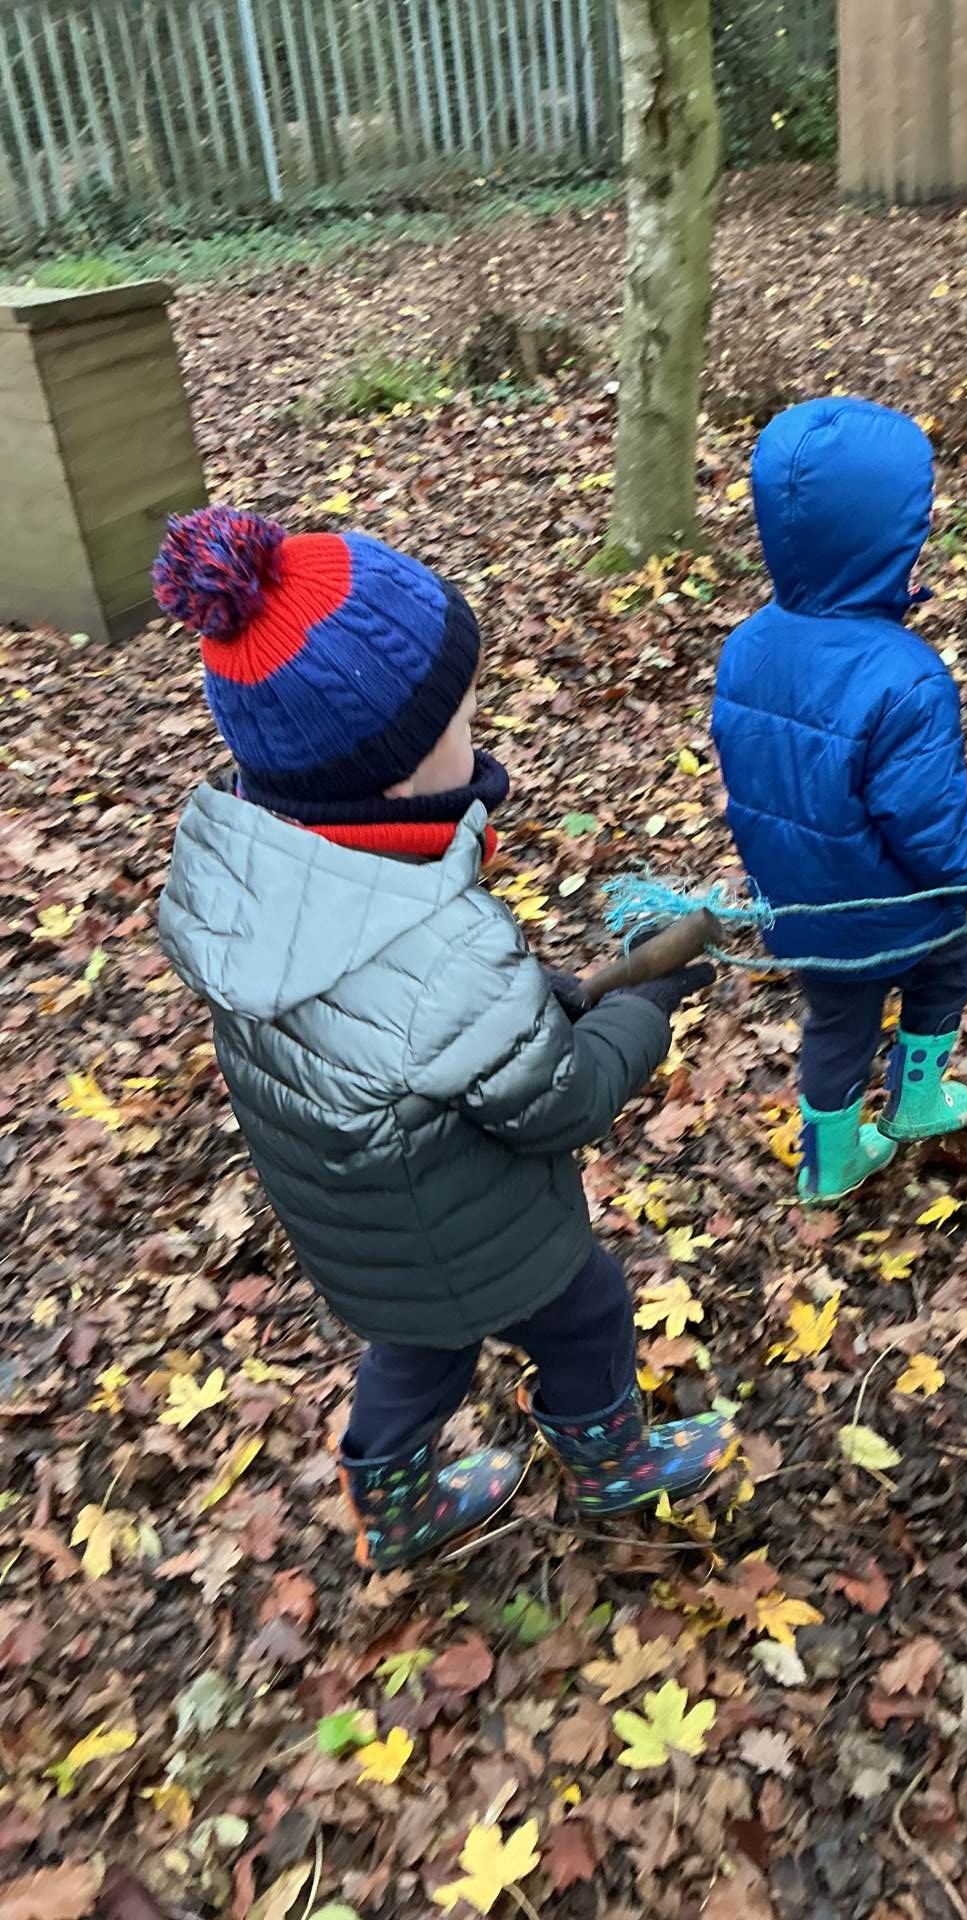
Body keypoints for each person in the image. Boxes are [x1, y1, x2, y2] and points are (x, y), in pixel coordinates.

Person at [153, 506, 732, 1572]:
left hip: (353, 1218)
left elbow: (384, 1027)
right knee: (588, 1311)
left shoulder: (252, 869)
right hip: (470, 1227)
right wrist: (641, 1009)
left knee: (418, 1352)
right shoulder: (438, 938)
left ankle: (393, 1504)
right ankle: (610, 1464)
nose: (478, 733)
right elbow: (560, 1100)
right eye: (462, 715)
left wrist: (531, 996)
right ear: (399, 769)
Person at [711, 398, 967, 1205]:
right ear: (883, 540)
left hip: (801, 907)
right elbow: (931, 833)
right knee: (951, 965)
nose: (925, 532)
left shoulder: (746, 645)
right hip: (895, 909)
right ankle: (914, 1101)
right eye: (915, 522)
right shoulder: (907, 676)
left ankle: (830, 1162)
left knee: (838, 1025)